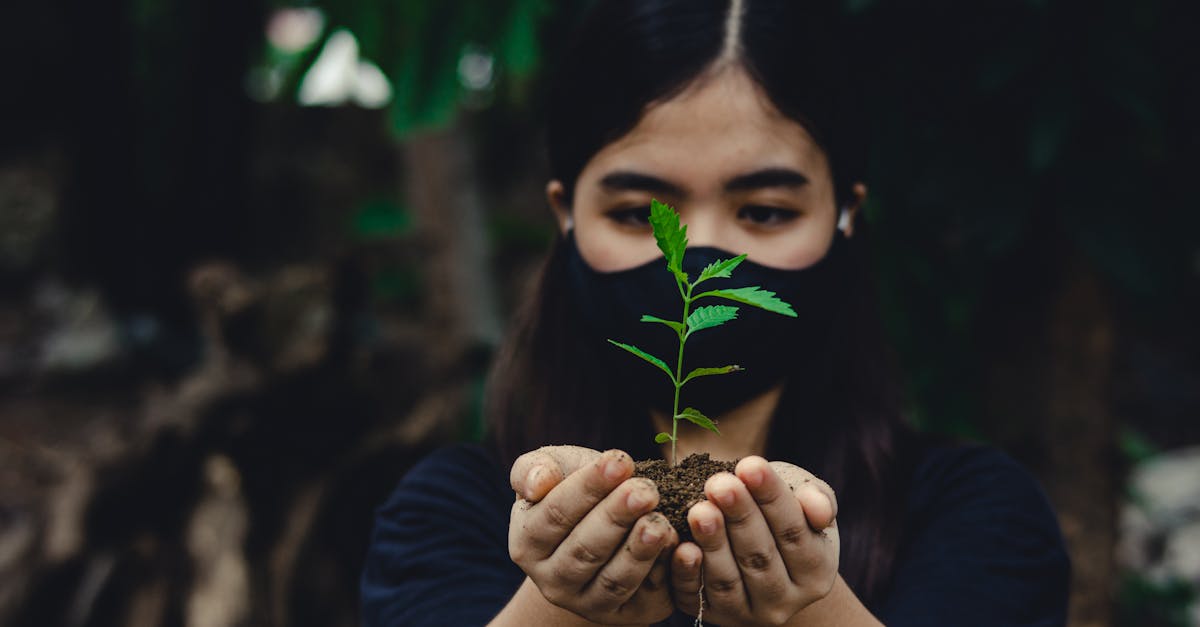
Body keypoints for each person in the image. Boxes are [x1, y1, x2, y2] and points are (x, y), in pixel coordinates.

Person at [361, 1, 1070, 625]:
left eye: (764, 210)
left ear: (846, 216)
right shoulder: (452, 512)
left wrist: (813, 609)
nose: (697, 254)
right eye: (640, 212)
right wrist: (562, 605)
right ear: (565, 215)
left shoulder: (973, 515)